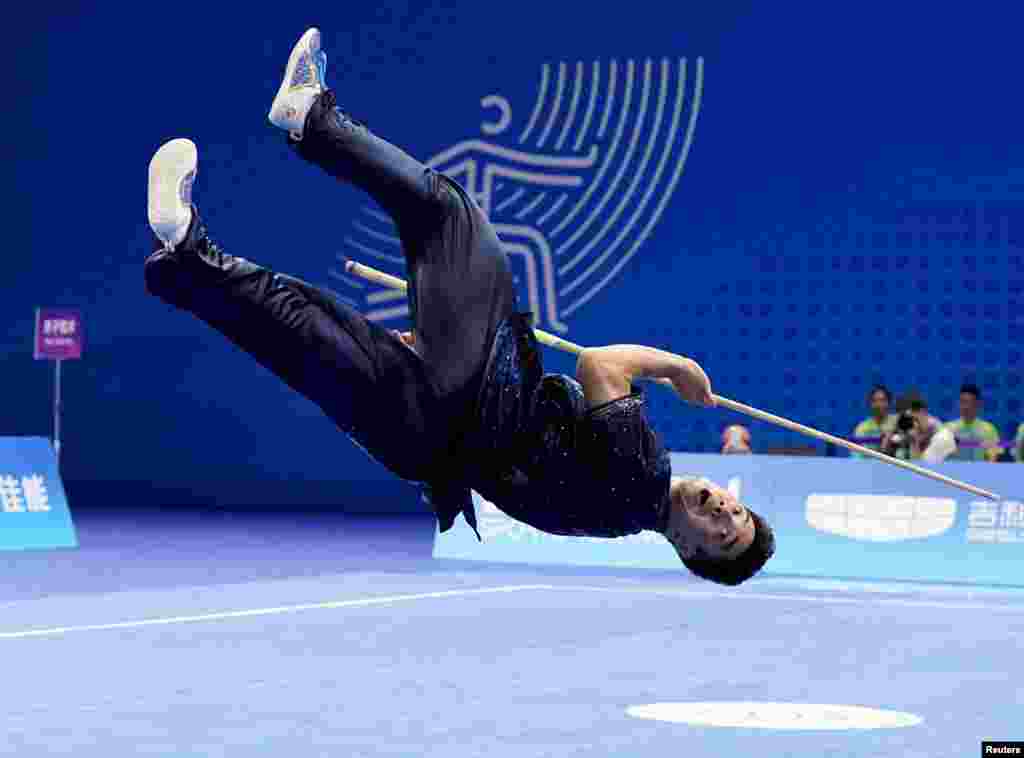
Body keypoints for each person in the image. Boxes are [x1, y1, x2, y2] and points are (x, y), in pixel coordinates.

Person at [143, 28, 775, 586]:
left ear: (689, 552)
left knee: (446, 213)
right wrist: (434, 355)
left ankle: (311, 117)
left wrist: (677, 366)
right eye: (737, 514)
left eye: (721, 537)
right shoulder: (610, 522)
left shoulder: (643, 477)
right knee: (300, 335)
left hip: (475, 386)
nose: (724, 514)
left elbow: (601, 369)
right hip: (429, 445)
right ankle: (183, 252)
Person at [944, 384, 1001, 462]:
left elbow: (993, 458)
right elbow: (940, 456)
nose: (965, 407)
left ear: (978, 404)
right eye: (962, 402)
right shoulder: (948, 428)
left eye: (969, 402)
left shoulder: (989, 429)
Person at [851, 385, 897, 459]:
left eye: (882, 400)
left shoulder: (897, 422)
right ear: (870, 404)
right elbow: (857, 457)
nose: (879, 405)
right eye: (875, 401)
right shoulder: (862, 428)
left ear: (889, 403)